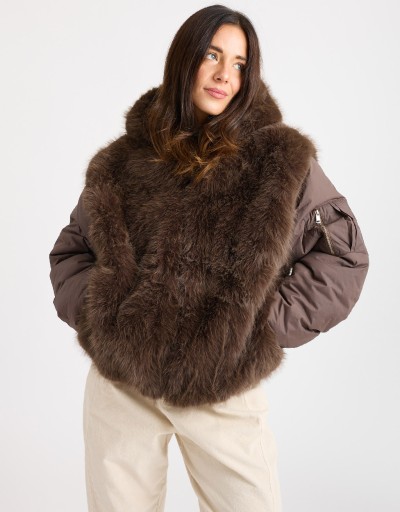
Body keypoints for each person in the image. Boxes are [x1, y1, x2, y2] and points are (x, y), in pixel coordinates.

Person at [49, 5, 369, 512]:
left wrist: (257, 326)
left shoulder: (280, 159)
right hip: (122, 385)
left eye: (240, 64)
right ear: (184, 59)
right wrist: (101, 317)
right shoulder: (122, 160)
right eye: (213, 55)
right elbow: (73, 249)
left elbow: (343, 256)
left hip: (222, 383)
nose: (225, 75)